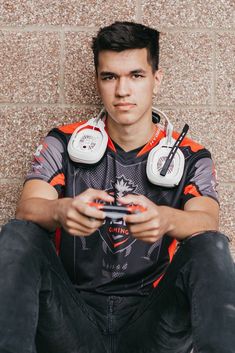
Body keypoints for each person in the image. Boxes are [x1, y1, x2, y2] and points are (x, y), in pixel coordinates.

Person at [0, 21, 234, 353]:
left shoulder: (190, 155)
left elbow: (206, 221)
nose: (122, 90)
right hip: (73, 319)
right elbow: (27, 208)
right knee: (18, 233)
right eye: (110, 77)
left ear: (157, 79)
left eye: (136, 76)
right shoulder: (63, 142)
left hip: (152, 323)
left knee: (211, 246)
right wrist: (61, 210)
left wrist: (165, 219)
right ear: (98, 81)